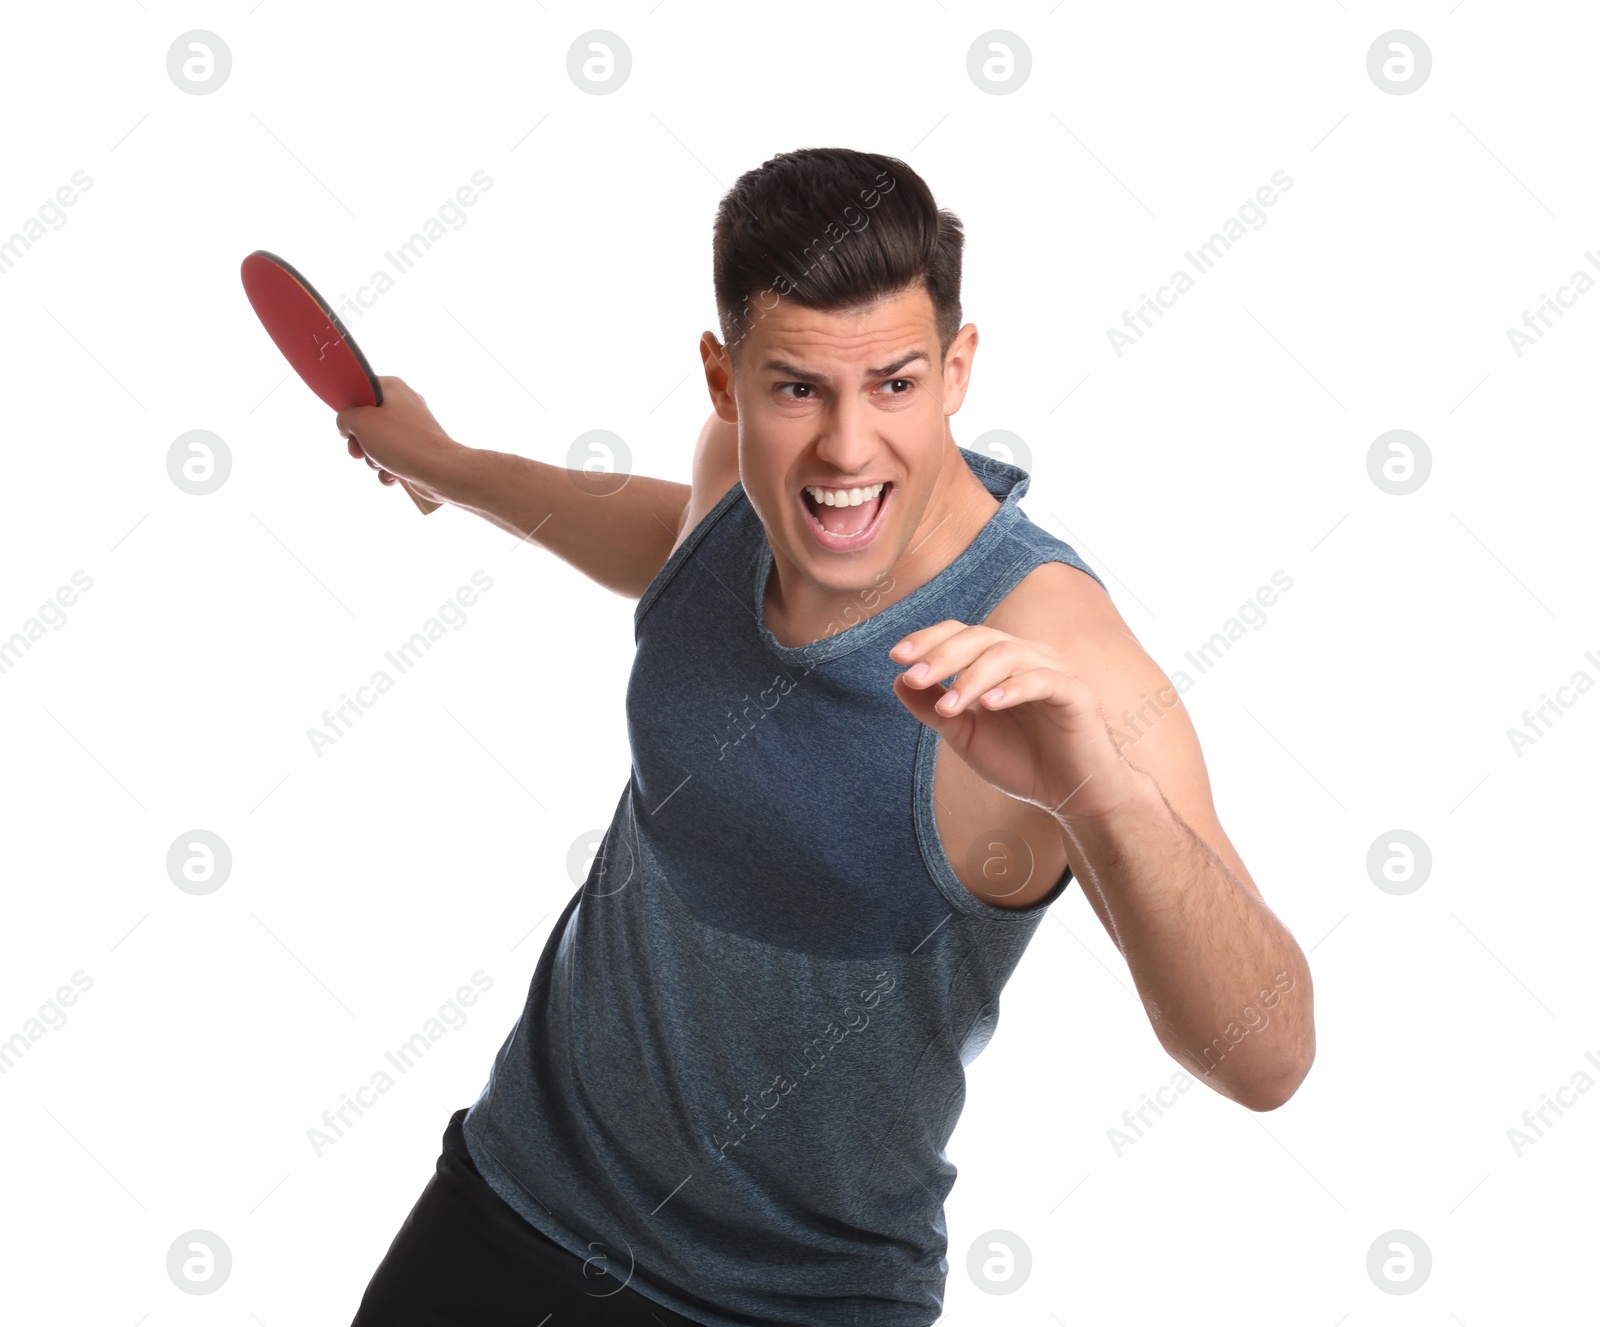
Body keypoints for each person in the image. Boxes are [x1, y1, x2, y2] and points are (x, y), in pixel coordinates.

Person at [339, 146, 1315, 1326]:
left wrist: (1097, 796)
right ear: (723, 379)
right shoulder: (736, 488)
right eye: (797, 388)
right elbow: (669, 540)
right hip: (512, 1206)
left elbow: (1267, 1058)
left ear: (958, 368)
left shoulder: (1059, 658)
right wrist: (442, 463)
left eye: (895, 385)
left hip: (790, 1306)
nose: (847, 451)